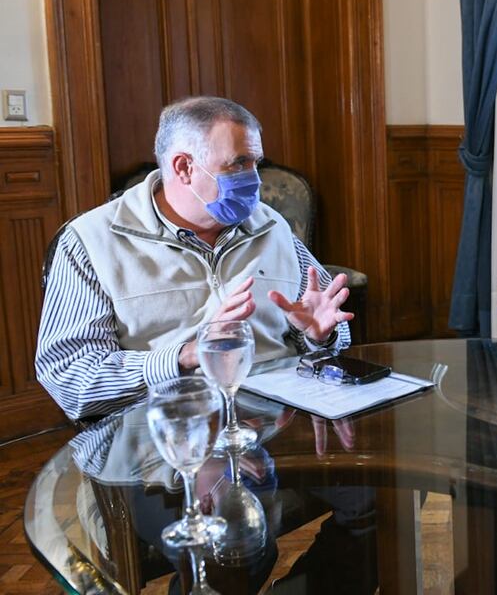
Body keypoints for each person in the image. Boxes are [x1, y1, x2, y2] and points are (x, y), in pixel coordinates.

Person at [36, 96, 352, 420]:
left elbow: (329, 331)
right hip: (165, 438)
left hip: (276, 428)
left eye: (256, 162)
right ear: (184, 167)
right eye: (239, 164)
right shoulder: (90, 242)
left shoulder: (271, 225)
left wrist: (318, 336)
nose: (256, 179)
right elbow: (69, 377)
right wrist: (186, 356)